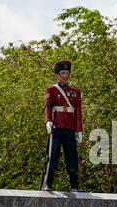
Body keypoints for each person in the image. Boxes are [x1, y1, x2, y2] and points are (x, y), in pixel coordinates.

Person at [41, 60, 83, 191]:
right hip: (56, 127)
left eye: (67, 73)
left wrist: (79, 130)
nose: (65, 75)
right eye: (62, 73)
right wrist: (48, 120)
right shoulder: (51, 90)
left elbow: (78, 112)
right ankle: (48, 183)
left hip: (69, 128)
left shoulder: (75, 92)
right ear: (57, 74)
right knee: (52, 154)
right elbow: (48, 107)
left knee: (72, 155)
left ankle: (74, 186)